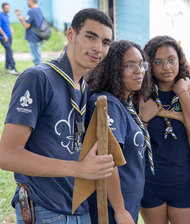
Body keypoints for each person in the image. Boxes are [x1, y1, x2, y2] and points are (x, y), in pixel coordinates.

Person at [0, 8, 115, 223]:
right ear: (71, 35)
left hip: (78, 209)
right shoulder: (37, 78)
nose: (98, 48)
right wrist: (80, 169)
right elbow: (7, 155)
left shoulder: (83, 88)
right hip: (46, 210)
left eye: (106, 42)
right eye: (90, 37)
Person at [139, 35, 190, 224]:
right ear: (149, 65)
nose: (167, 67)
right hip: (150, 183)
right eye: (158, 62)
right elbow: (132, 142)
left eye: (172, 60)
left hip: (184, 183)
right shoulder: (142, 95)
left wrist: (182, 93)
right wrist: (143, 119)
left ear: (180, 60)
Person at [86, 40, 153, 223]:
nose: (139, 70)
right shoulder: (108, 104)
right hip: (111, 209)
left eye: (141, 64)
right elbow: (108, 159)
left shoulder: (124, 102)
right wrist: (120, 210)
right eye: (130, 65)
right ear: (114, 69)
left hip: (128, 203)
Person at [15, 0, 44, 66]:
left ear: (31, 1)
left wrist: (20, 18)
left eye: (27, 1)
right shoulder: (39, 10)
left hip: (33, 38)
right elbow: (29, 21)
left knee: (36, 59)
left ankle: (39, 74)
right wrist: (20, 16)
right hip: (39, 37)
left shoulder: (31, 11)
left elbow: (26, 25)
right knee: (38, 56)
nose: (27, 2)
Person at [0, 3, 19, 75]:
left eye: (8, 8)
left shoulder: (7, 15)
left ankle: (7, 67)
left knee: (8, 52)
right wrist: (4, 35)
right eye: (6, 8)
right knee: (10, 51)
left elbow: (7, 24)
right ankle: (12, 68)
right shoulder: (0, 15)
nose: (8, 9)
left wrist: (11, 29)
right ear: (3, 8)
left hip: (9, 36)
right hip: (3, 37)